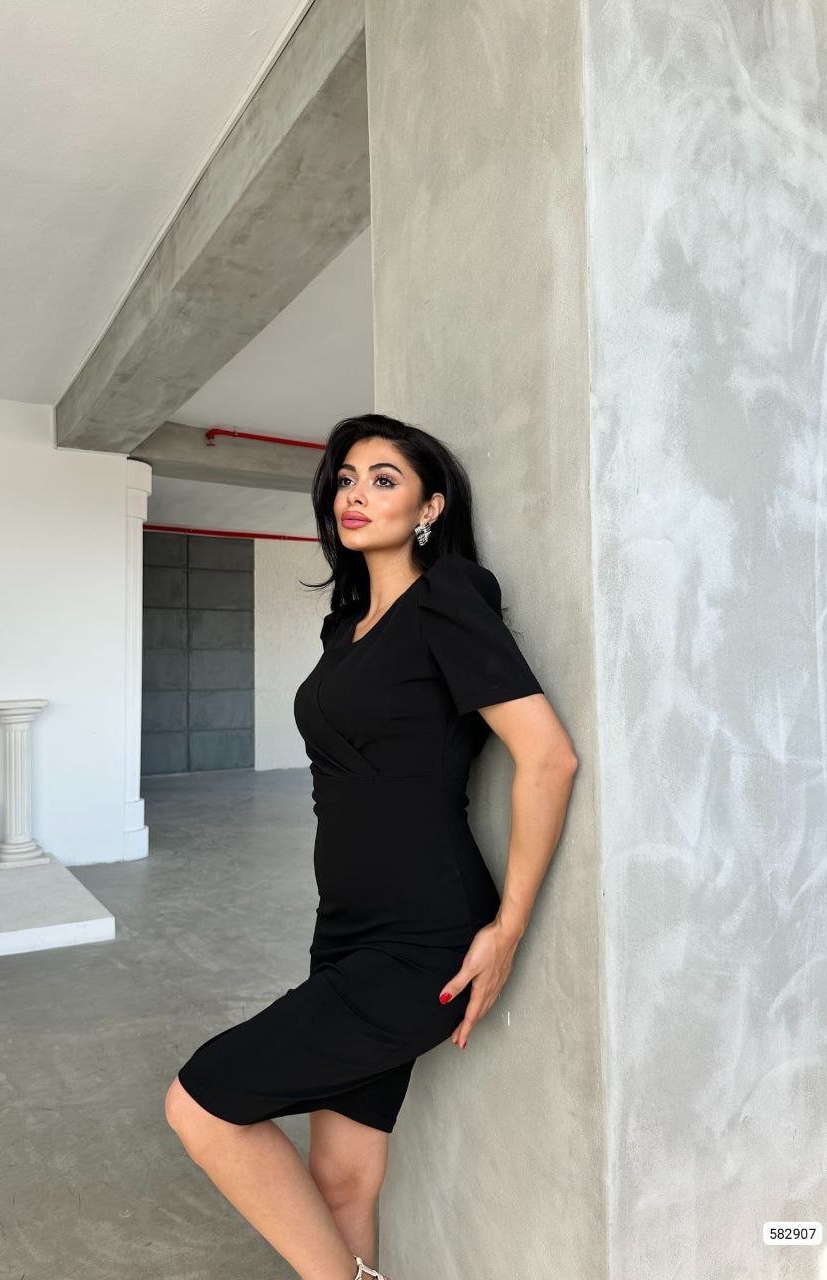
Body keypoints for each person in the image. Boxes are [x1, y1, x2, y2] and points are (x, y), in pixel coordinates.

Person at [165, 413, 577, 1280]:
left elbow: (548, 757)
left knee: (200, 1104)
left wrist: (505, 930)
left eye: (384, 480)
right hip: (346, 928)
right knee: (343, 1180)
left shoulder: (450, 598)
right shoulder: (344, 626)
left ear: (430, 507)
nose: (355, 495)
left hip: (425, 938)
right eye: (346, 479)